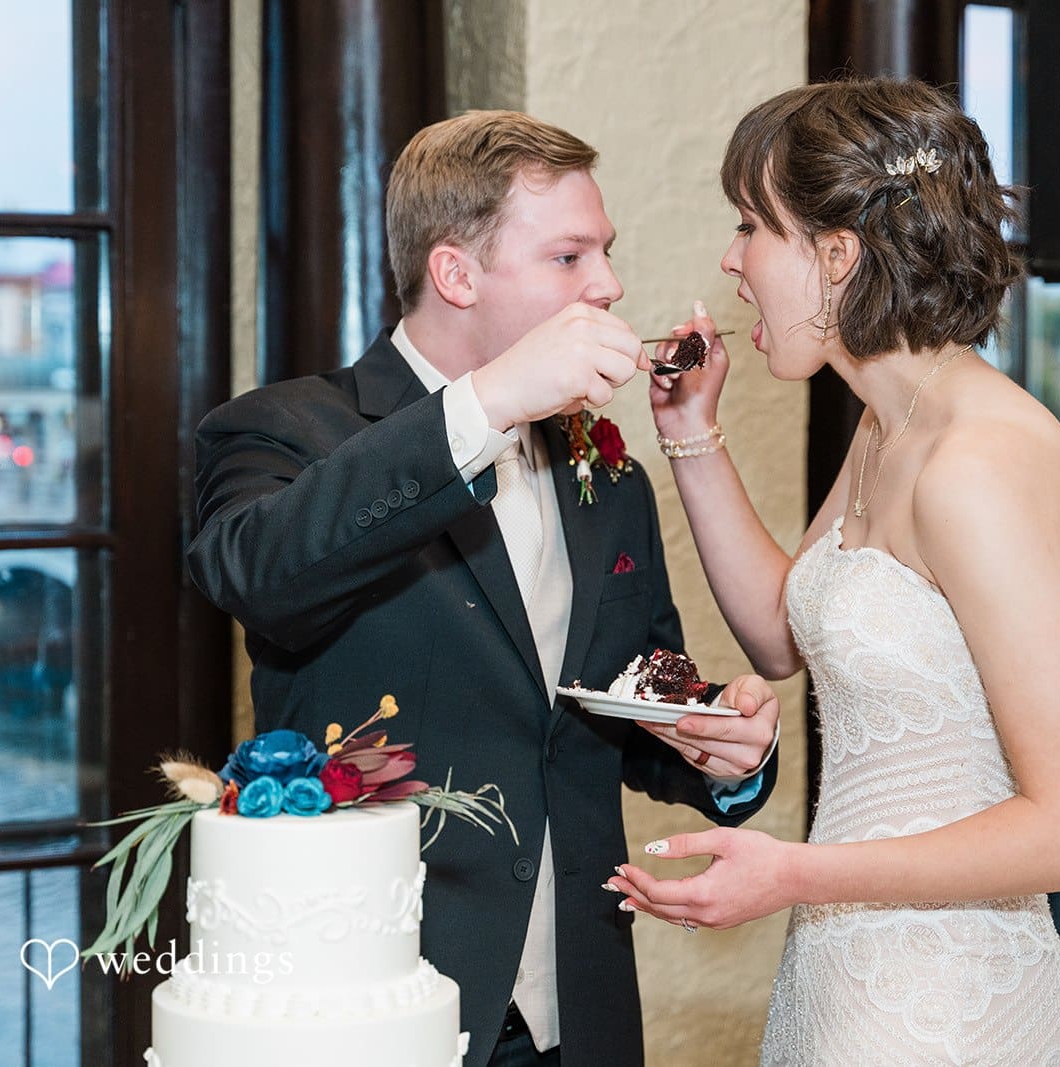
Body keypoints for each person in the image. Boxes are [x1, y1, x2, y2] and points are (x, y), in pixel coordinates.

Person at [186, 110, 782, 1067]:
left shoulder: (604, 471)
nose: (609, 285)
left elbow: (629, 689)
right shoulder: (285, 430)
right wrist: (487, 402)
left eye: (608, 253)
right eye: (568, 257)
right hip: (377, 998)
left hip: (575, 1008)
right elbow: (258, 573)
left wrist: (721, 751)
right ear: (456, 274)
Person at [605, 79, 1060, 1065]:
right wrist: (691, 433)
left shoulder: (977, 464)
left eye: (753, 224)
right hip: (848, 964)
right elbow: (778, 631)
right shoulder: (894, 420)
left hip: (944, 995)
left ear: (836, 255)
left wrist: (791, 871)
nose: (732, 259)